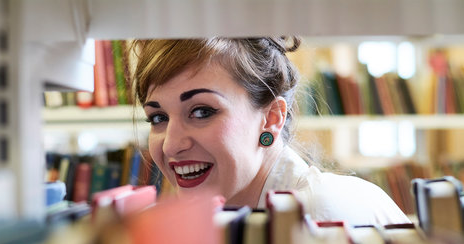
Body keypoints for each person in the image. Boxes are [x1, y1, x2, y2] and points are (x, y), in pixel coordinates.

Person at [130, 37, 410, 225]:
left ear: (272, 118)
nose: (170, 146)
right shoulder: (221, 223)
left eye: (202, 111)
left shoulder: (322, 216)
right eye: (158, 118)